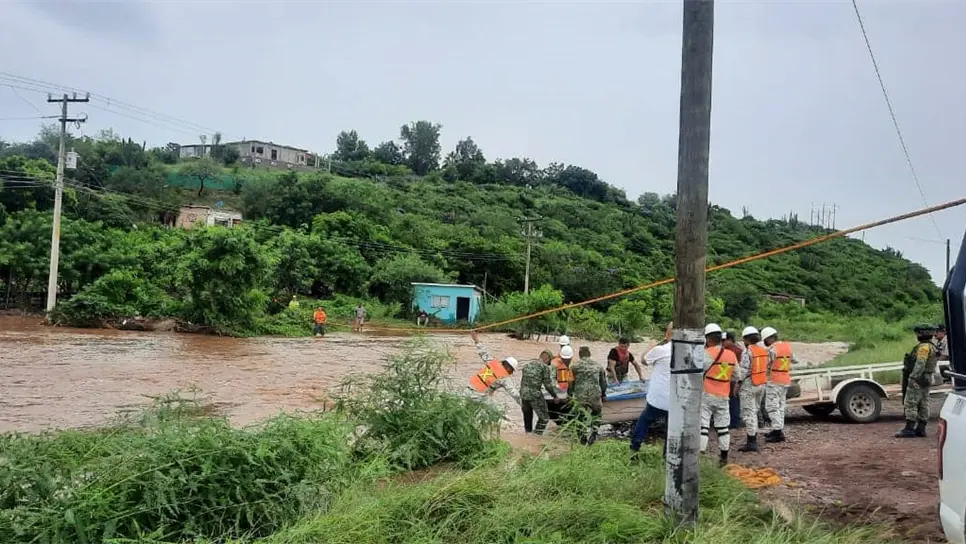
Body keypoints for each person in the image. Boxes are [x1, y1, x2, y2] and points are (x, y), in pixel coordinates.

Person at [630, 321, 673, 460]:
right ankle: (667, 457)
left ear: (667, 334)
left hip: (657, 399)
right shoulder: (687, 352)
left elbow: (643, 360)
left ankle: (635, 449)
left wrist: (649, 347)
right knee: (671, 429)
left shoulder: (661, 350)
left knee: (644, 421)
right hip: (676, 401)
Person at [701, 323, 737, 467]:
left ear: (708, 338)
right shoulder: (731, 354)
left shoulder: (706, 353)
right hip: (724, 395)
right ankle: (723, 457)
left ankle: (700, 455)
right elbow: (737, 374)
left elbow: (697, 370)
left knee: (703, 426)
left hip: (707, 394)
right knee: (723, 428)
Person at [896, 324, 939, 438]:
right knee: (923, 403)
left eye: (918, 333)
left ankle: (909, 429)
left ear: (922, 333)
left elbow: (920, 363)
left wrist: (913, 377)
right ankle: (921, 429)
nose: (916, 335)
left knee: (911, 402)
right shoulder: (932, 346)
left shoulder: (924, 347)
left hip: (919, 378)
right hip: (927, 377)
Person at [760, 326, 800, 443]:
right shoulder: (787, 346)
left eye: (765, 340)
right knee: (781, 406)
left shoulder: (772, 350)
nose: (765, 343)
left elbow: (766, 364)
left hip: (774, 381)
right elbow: (795, 360)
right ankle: (778, 428)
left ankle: (777, 431)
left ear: (769, 338)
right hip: (785, 380)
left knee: (771, 407)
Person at [736, 326, 772, 453]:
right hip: (761, 384)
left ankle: (752, 441)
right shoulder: (763, 350)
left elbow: (744, 371)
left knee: (748, 413)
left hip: (749, 385)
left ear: (746, 339)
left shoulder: (748, 352)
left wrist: (737, 384)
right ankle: (753, 437)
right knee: (755, 411)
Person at [468, 331, 521, 405]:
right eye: (512, 371)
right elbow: (515, 394)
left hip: (469, 389)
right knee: (498, 411)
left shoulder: (492, 363)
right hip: (480, 396)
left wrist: (476, 339)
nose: (511, 373)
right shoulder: (504, 378)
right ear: (509, 369)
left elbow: (483, 352)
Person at [569, 346, 608, 445]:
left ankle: (582, 438)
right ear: (589, 354)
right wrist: (603, 394)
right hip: (594, 395)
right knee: (597, 414)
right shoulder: (598, 366)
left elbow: (570, 382)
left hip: (580, 395)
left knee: (580, 416)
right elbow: (603, 383)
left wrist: (570, 394)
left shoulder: (574, 366)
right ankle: (593, 434)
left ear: (579, 354)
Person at [519, 350, 560, 434]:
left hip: (523, 394)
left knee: (527, 417)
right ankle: (537, 435)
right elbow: (548, 385)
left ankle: (528, 435)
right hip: (534, 395)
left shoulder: (527, 365)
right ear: (547, 358)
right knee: (544, 418)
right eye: (550, 361)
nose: (549, 364)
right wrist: (555, 396)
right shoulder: (544, 367)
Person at [723, 331, 745, 430]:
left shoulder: (734, 351)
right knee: (733, 402)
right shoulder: (738, 350)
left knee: (733, 402)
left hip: (733, 380)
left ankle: (734, 422)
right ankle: (734, 421)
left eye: (724, 340)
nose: (722, 342)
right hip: (732, 379)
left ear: (730, 340)